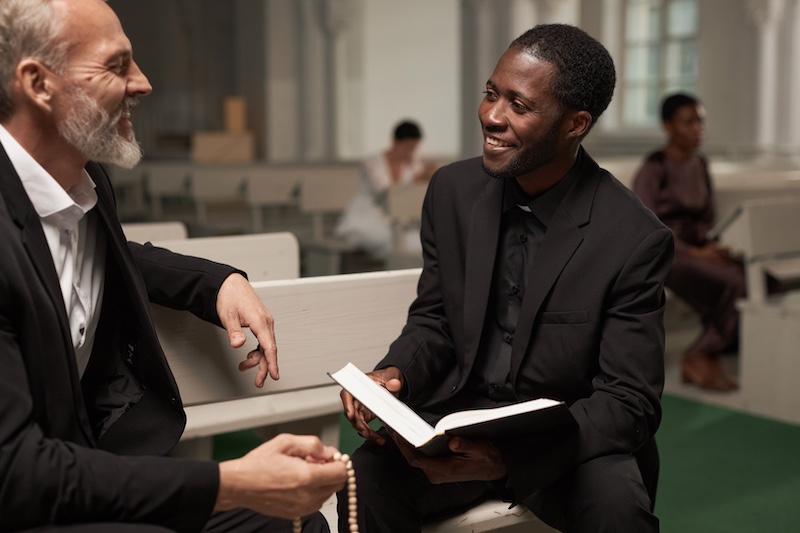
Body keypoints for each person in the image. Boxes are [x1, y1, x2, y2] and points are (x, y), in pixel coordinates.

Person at [0, 1, 346, 532]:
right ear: (37, 84)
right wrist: (231, 483)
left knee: (289, 527)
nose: (143, 83)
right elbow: (17, 475)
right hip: (28, 498)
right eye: (117, 66)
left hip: (88, 470)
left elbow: (100, 257)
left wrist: (218, 283)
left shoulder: (83, 180)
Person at [337, 24, 673, 533]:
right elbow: (435, 320)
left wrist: (507, 462)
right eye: (492, 94)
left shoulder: (632, 237)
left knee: (618, 514)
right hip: (457, 419)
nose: (492, 116)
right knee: (362, 482)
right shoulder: (451, 190)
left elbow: (629, 402)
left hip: (564, 442)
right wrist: (394, 375)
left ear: (574, 124)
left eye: (519, 105)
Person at [633, 93, 743, 392]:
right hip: (668, 254)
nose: (698, 128)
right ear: (668, 126)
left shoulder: (701, 164)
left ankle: (709, 352)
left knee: (757, 277)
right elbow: (648, 226)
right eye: (688, 122)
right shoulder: (654, 166)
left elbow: (709, 218)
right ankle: (700, 355)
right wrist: (695, 252)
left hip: (699, 250)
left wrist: (714, 248)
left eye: (701, 121)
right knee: (735, 285)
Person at [334, 120, 437, 260]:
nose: (410, 152)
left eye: (413, 148)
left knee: (418, 240)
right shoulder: (372, 163)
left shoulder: (414, 165)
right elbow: (385, 193)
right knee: (389, 240)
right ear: (395, 142)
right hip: (369, 216)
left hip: (399, 221)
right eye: (407, 147)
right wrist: (417, 179)